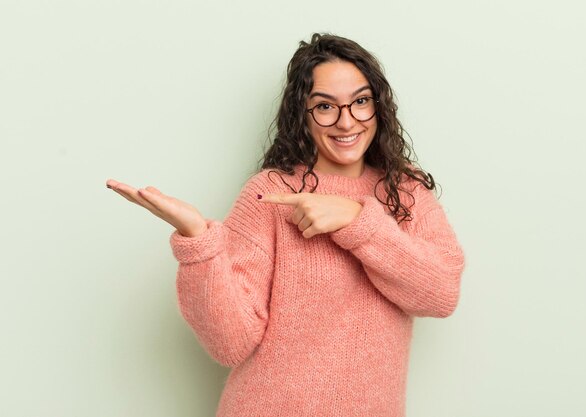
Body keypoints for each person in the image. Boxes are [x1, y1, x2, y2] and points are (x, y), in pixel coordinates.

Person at [106, 33, 465, 417]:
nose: (347, 121)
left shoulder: (404, 190)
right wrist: (199, 244)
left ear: (378, 106)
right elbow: (231, 343)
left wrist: (357, 221)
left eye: (361, 101)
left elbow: (441, 294)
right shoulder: (272, 193)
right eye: (325, 107)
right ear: (302, 115)